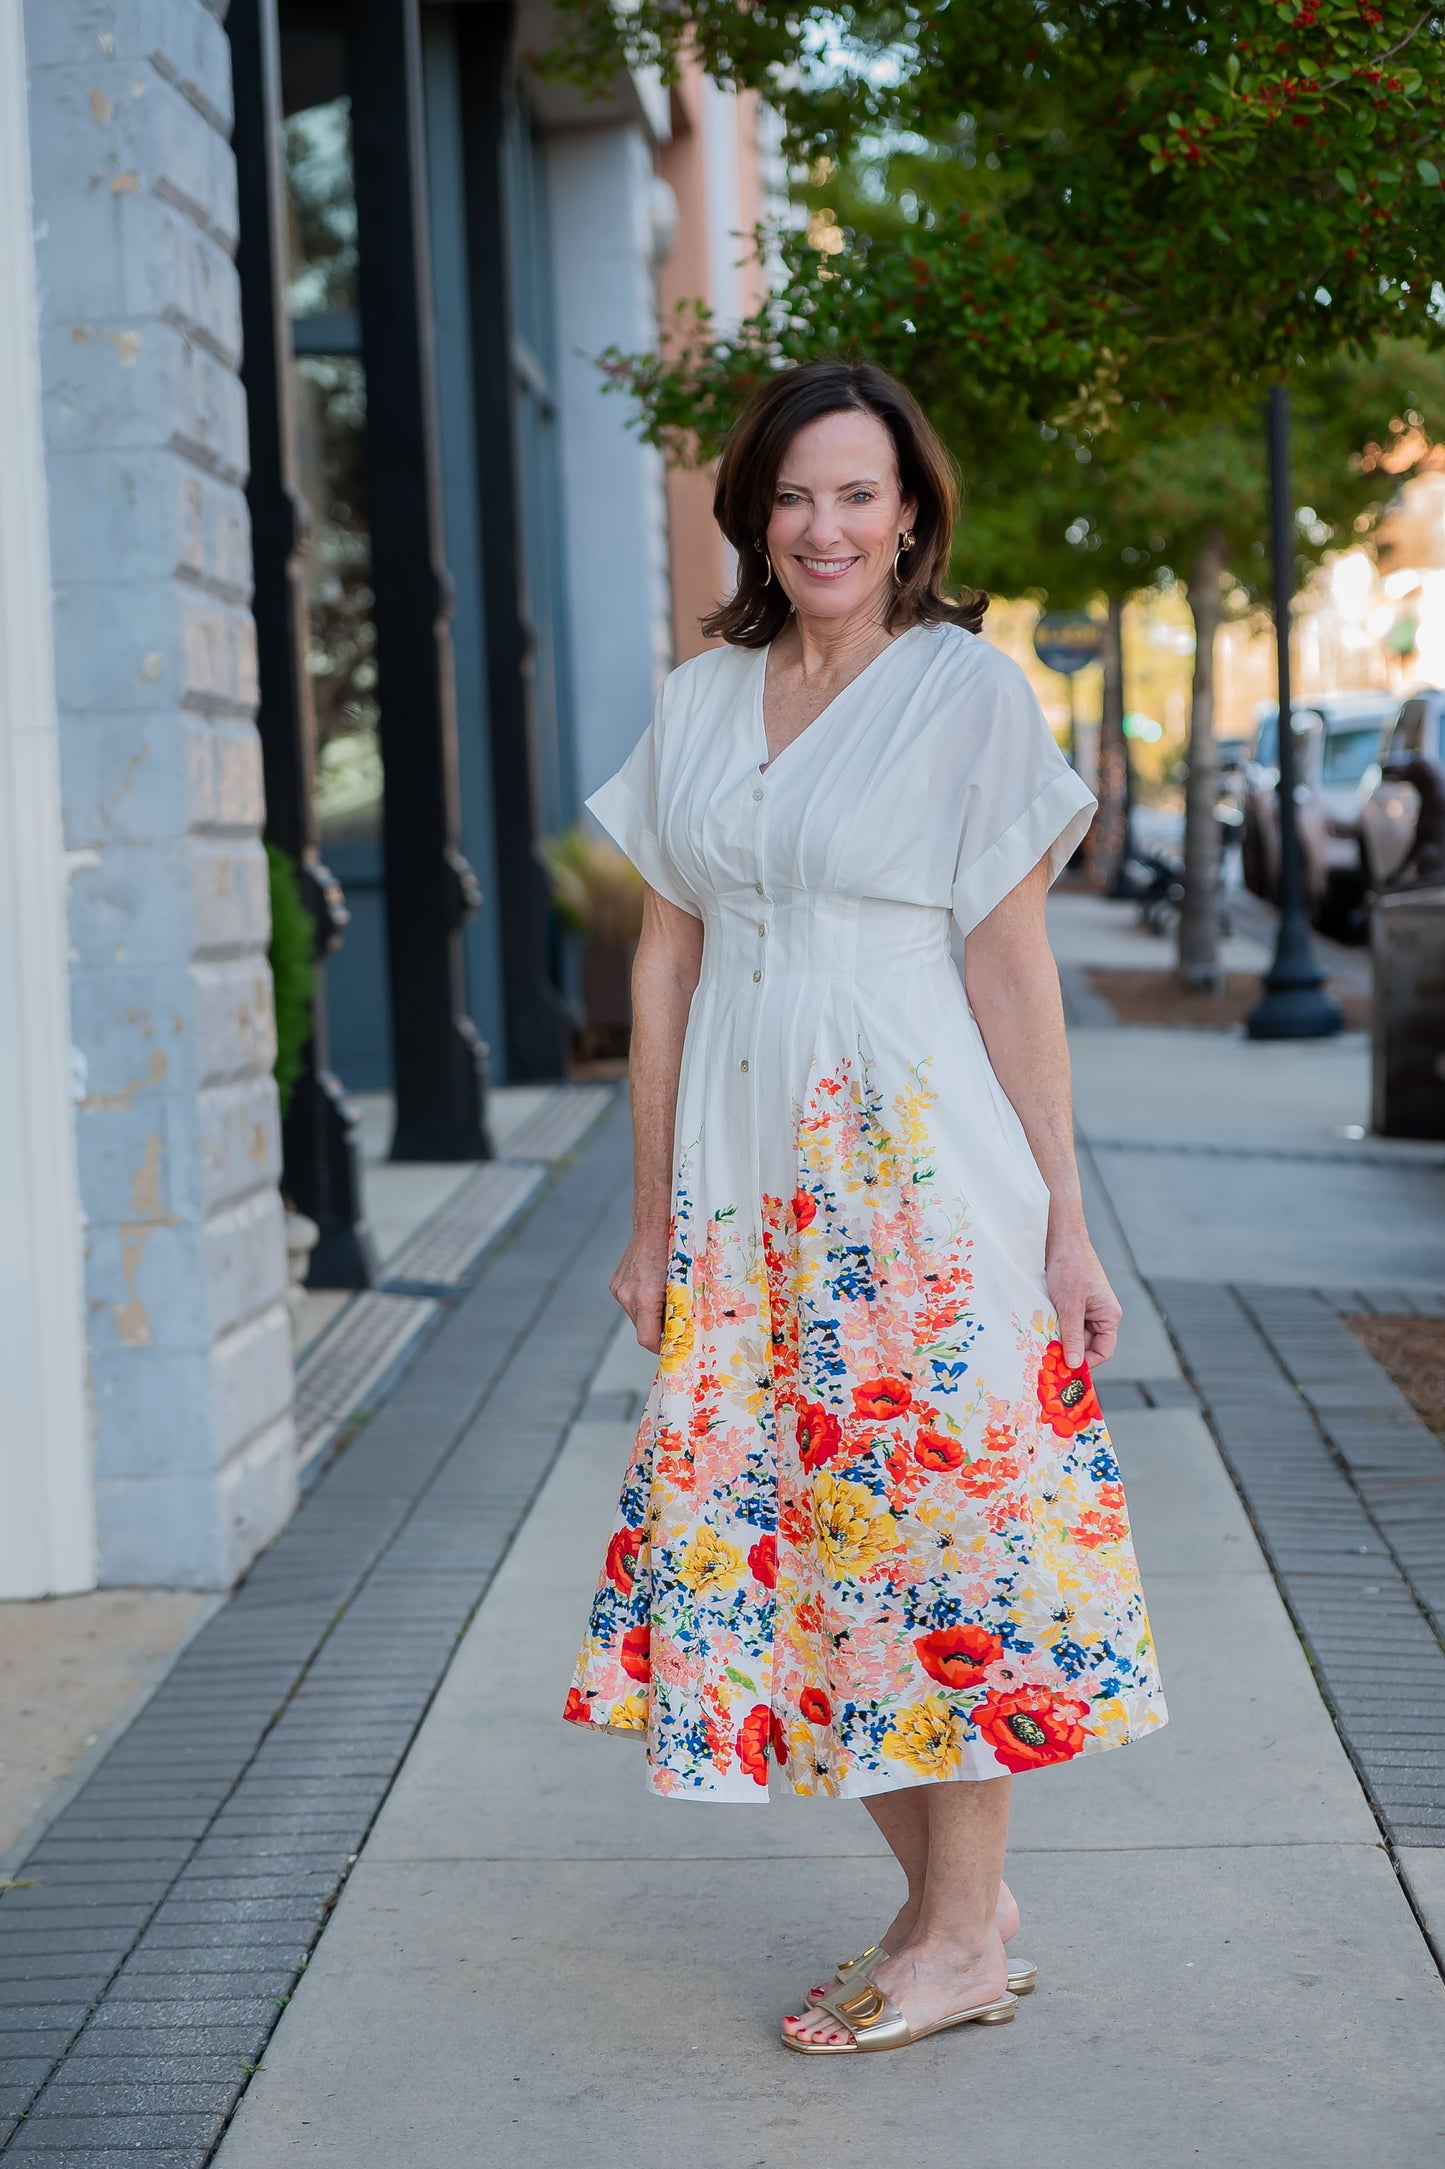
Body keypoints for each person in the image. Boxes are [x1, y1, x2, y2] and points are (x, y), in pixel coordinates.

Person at [562, 359, 1167, 2055]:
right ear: (751, 510)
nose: (822, 525)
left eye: (855, 492)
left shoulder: (965, 693)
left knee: (932, 1531)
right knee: (785, 1545)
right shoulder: (698, 698)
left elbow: (1008, 958)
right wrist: (650, 1216)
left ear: (910, 513)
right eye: (792, 494)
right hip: (744, 1187)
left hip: (915, 1169)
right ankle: (956, 1907)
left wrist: (1062, 1213)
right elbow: (664, 957)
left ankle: (960, 1932)